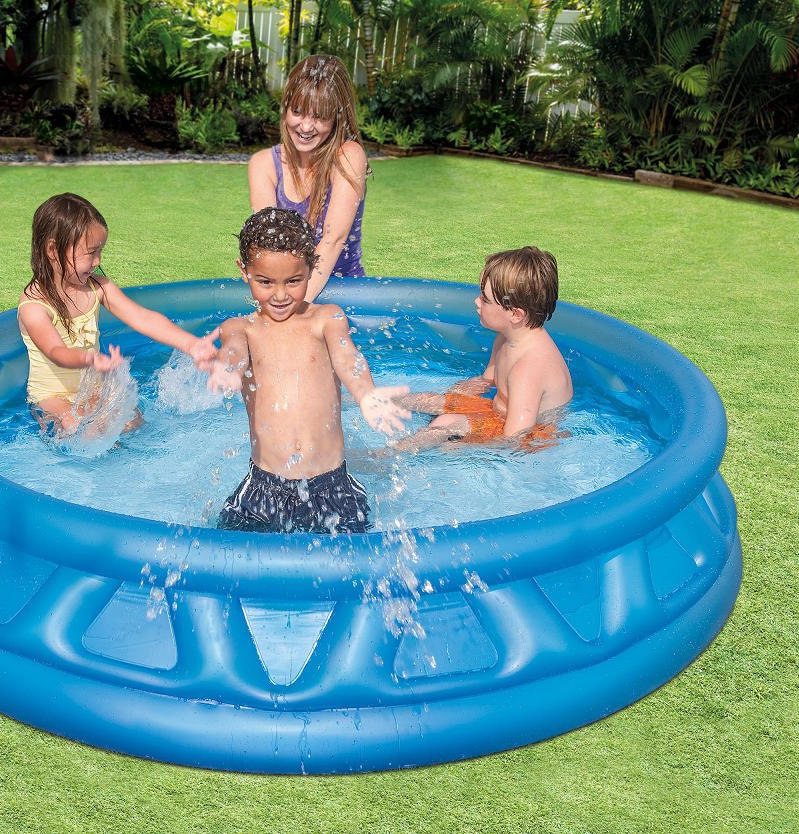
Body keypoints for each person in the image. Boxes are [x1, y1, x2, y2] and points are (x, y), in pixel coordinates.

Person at [207, 207, 409, 533]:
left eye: (294, 281)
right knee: (229, 551)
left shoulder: (326, 318)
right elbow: (233, 351)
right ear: (244, 271)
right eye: (265, 282)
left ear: (311, 269)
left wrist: (366, 394)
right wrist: (228, 369)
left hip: (331, 484)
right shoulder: (241, 328)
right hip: (265, 485)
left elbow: (347, 358)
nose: (280, 294)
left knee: (354, 556)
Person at [18, 192, 218, 436]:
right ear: (52, 250)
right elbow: (56, 352)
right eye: (91, 252)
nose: (97, 261)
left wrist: (191, 344)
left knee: (131, 420)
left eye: (100, 251)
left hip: (91, 388)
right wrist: (89, 359)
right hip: (52, 397)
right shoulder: (35, 306)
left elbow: (143, 318)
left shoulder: (97, 287)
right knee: (74, 429)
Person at [386, 247, 573, 454]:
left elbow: (516, 437)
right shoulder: (506, 337)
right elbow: (487, 380)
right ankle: (372, 399)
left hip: (533, 436)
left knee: (444, 423)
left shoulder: (528, 369)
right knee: (431, 401)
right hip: (498, 414)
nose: (476, 301)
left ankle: (388, 455)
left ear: (515, 314)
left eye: (485, 299)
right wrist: (456, 394)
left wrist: (468, 448)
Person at [247, 54, 367, 302]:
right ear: (285, 108)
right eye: (298, 111)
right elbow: (268, 247)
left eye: (320, 116)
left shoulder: (348, 156)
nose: (305, 126)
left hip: (345, 294)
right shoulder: (264, 165)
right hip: (284, 297)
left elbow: (333, 240)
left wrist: (297, 307)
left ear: (337, 118)